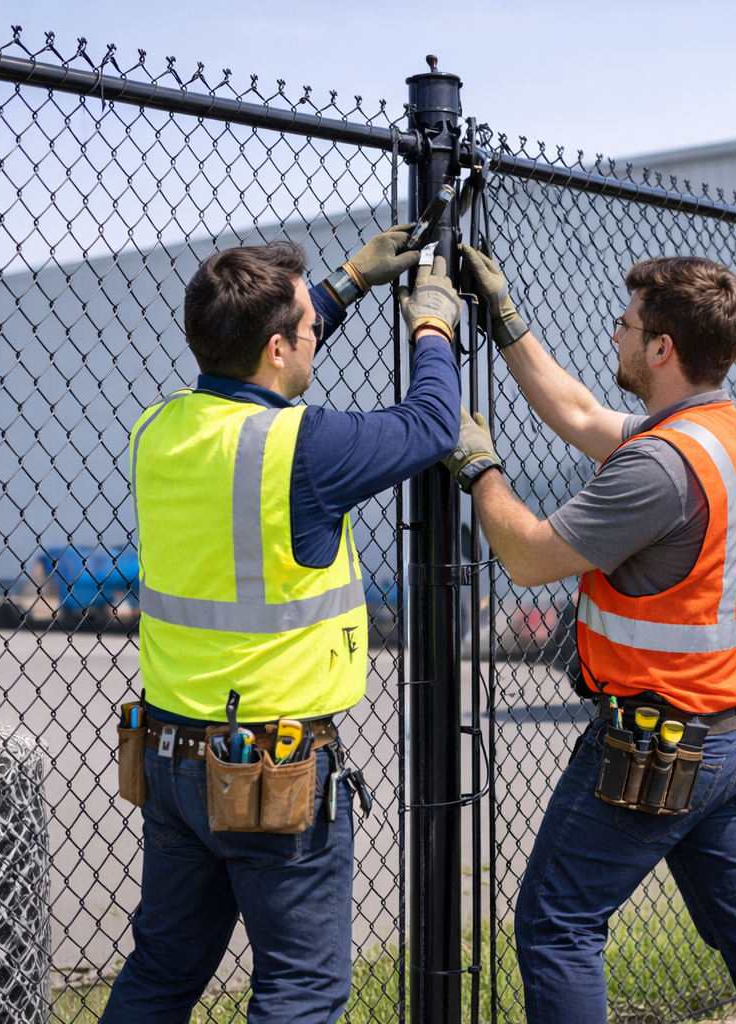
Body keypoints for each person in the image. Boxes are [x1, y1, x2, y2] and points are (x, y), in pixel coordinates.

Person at [445, 245, 736, 1024]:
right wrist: (505, 319)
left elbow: (526, 557)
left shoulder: (658, 467)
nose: (616, 336)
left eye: (625, 326)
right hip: (726, 738)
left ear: (662, 347)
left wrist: (478, 467)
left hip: (656, 745)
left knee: (557, 924)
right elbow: (584, 415)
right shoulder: (732, 439)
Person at [102, 229, 463, 1023]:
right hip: (275, 770)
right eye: (308, 329)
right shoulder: (303, 447)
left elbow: (267, 350)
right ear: (275, 347)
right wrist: (433, 326)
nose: (315, 340)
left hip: (171, 753)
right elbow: (434, 423)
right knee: (300, 990)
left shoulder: (158, 431)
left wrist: (347, 282)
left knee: (162, 971)